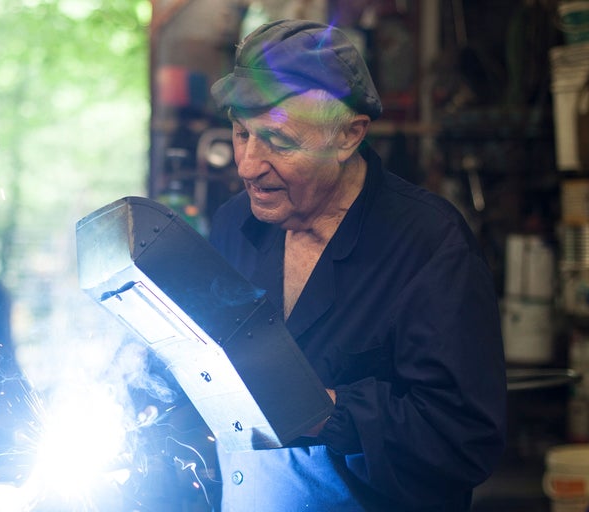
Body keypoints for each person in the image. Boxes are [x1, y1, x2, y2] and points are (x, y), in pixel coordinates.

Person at [207, 19, 507, 511]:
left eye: (278, 141)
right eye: (241, 133)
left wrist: (327, 413)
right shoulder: (234, 225)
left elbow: (465, 440)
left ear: (348, 136)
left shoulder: (429, 245)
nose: (247, 165)